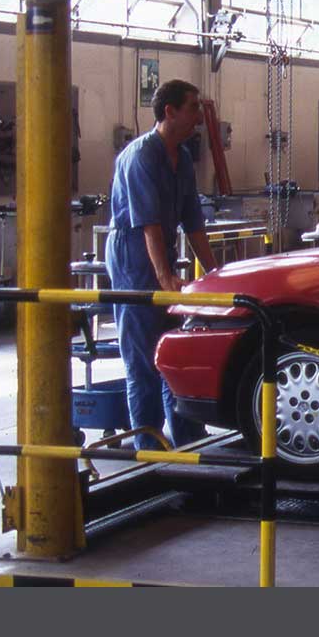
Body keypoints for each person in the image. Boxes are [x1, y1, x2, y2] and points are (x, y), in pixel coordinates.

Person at [106, 79, 218, 451]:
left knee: (173, 348)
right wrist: (165, 276)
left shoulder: (182, 157)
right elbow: (147, 224)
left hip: (158, 249)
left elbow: (194, 221)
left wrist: (216, 273)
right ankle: (148, 443)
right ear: (169, 111)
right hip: (133, 253)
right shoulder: (141, 157)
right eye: (193, 108)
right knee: (141, 354)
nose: (199, 116)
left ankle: (186, 435)